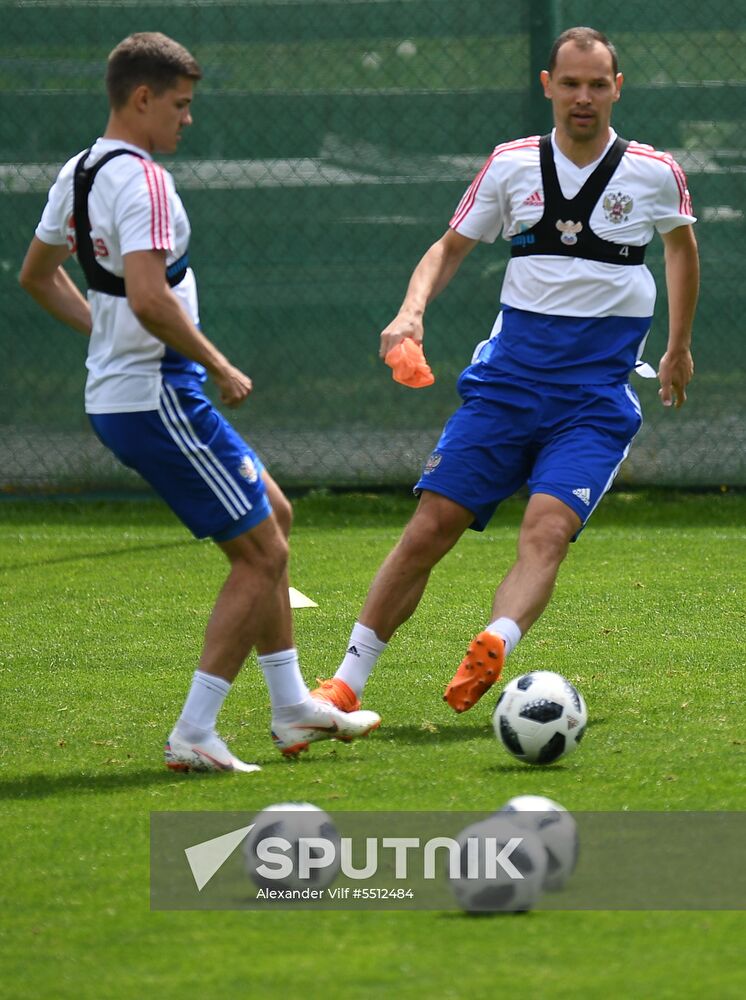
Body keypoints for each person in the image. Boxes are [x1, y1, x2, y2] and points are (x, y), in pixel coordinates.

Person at [312, 26, 699, 717]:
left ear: (617, 89)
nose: (584, 97)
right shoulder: (511, 164)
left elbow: (681, 249)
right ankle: (345, 682)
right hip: (506, 389)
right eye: (571, 83)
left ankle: (495, 641)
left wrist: (678, 346)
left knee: (546, 531)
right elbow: (448, 247)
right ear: (548, 86)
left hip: (593, 401)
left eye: (598, 84)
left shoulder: (654, 172)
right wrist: (410, 313)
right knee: (430, 527)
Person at [19, 31, 380, 772]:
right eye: (180, 105)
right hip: (158, 393)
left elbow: (36, 274)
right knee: (261, 554)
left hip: (127, 392)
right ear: (141, 98)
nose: (188, 118)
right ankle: (195, 730)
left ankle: (291, 707)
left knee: (273, 516)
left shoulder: (80, 171)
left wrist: (104, 335)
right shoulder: (144, 181)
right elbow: (150, 298)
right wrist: (218, 363)